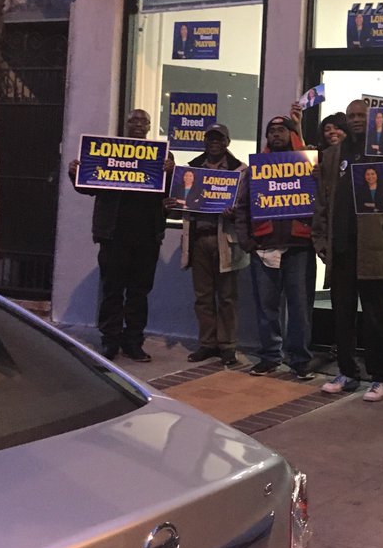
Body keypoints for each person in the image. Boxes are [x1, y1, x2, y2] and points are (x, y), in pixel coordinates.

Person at [68, 108, 174, 363]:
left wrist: (171, 173)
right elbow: (88, 187)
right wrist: (75, 174)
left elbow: (172, 194)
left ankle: (133, 342)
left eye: (143, 121)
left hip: (147, 237)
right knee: (112, 290)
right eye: (133, 120)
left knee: (139, 293)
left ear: (150, 127)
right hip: (113, 235)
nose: (138, 124)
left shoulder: (163, 157)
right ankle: (110, 341)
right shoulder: (107, 152)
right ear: (126, 125)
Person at [312, 99, 383, 401]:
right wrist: (320, 240)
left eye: (362, 115)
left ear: (372, 118)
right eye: (352, 115)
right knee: (343, 316)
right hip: (341, 248)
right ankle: (347, 372)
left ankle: (380, 377)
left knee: (376, 318)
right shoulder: (332, 155)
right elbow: (322, 201)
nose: (357, 119)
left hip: (373, 247)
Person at [235, 115, 317, 380]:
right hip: (263, 246)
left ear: (291, 134)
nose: (276, 134)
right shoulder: (255, 169)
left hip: (298, 247)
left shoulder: (309, 166)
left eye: (282, 130)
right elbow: (242, 207)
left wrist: (316, 238)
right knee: (266, 308)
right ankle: (270, 357)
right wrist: (246, 241)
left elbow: (322, 204)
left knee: (299, 308)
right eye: (272, 131)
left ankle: (300, 360)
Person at [173, 122, 249, 366]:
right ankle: (207, 343)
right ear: (204, 141)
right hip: (198, 239)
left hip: (225, 239)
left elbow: (247, 207)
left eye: (219, 138)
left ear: (227, 142)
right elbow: (180, 205)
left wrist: (234, 212)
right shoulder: (191, 170)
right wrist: (173, 204)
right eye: (210, 138)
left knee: (227, 297)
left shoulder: (240, 170)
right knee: (203, 296)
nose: (215, 142)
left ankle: (227, 346)